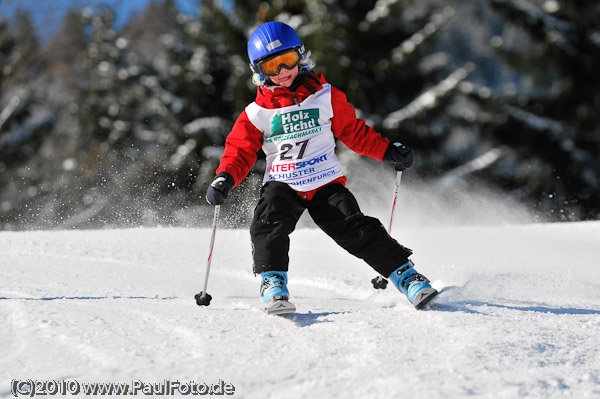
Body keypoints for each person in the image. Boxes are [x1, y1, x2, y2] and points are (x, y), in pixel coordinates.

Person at [206, 21, 437, 310]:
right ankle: (273, 282)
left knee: (356, 227)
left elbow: (354, 132)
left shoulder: (325, 96)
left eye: (287, 61)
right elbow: (240, 150)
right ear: (257, 73)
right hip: (283, 183)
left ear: (301, 56)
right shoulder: (258, 113)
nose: (282, 72)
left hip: (325, 181)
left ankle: (408, 277)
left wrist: (387, 150)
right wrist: (225, 176)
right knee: (267, 224)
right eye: (271, 67)